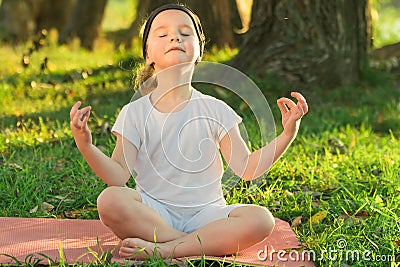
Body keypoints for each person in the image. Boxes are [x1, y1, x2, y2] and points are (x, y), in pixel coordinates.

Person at [69, 3, 308, 260]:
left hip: (206, 216)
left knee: (261, 219)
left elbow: (247, 169)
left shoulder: (216, 109)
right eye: (163, 34)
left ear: (198, 52)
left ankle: (164, 250)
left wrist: (286, 135)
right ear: (148, 54)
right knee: (110, 200)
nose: (175, 37)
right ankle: (193, 246)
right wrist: (86, 145)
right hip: (154, 215)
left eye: (185, 33)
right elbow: (117, 176)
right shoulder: (135, 113)